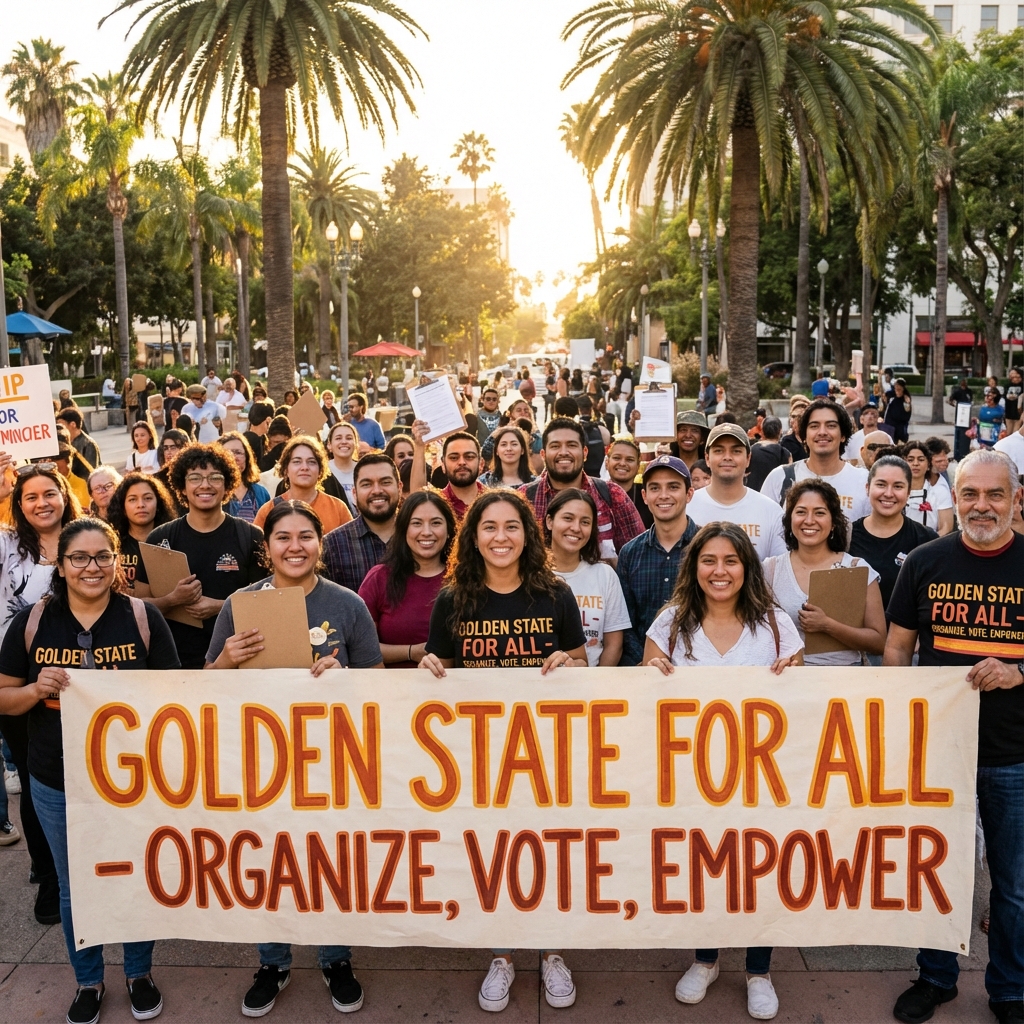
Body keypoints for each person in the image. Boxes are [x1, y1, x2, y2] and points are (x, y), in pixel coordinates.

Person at [0, 518, 179, 1024]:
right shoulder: (33, 622)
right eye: (79, 557)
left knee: (136, 876)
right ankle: (88, 980)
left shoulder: (142, 618)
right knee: (74, 884)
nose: (91, 567)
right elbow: (4, 697)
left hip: (132, 780)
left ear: (117, 561)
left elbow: (176, 700)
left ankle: (139, 973)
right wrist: (36, 690)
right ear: (61, 565)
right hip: (56, 780)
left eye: (102, 556)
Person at [417, 490, 585, 1012]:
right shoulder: (452, 599)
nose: (501, 537)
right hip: (480, 753)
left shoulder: (555, 594)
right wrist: (429, 671)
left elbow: (582, 664)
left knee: (552, 849)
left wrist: (572, 665)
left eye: (511, 527)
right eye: (488, 527)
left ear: (528, 535)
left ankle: (554, 951)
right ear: (473, 537)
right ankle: (504, 954)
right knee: (494, 853)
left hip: (547, 750)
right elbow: (439, 668)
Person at [884, 449, 1023, 1024]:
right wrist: (899, 716)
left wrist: (1020, 670)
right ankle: (936, 976)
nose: (982, 506)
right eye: (970, 494)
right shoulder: (924, 561)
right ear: (953, 497)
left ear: (1016, 500)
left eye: (995, 495)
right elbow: (896, 646)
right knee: (937, 872)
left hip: (1014, 756)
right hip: (939, 749)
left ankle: (1011, 989)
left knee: (1013, 887)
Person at [642, 521, 801, 1022]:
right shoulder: (670, 624)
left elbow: (804, 703)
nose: (720, 570)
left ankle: (759, 971)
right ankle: (706, 959)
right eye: (709, 560)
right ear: (694, 567)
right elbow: (646, 698)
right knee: (702, 868)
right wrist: (650, 678)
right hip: (692, 777)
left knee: (759, 869)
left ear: (747, 568)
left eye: (731, 560)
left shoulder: (776, 624)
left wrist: (792, 682)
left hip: (761, 777)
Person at [0, 463, 79, 927]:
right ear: (19, 503)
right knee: (35, 781)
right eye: (31, 496)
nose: (42, 503)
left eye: (50, 493)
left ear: (65, 495)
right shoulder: (7, 544)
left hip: (82, 679)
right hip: (19, 680)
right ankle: (49, 873)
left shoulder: (86, 538)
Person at [147, 444, 264, 669]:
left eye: (215, 477)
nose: (205, 485)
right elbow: (140, 607)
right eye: (195, 478)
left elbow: (268, 604)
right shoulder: (160, 538)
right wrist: (172, 600)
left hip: (238, 665)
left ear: (228, 483)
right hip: (174, 664)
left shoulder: (250, 537)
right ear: (181, 485)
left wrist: (221, 606)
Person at [763, 480, 886, 666]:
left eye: (819, 513)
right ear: (790, 520)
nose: (809, 520)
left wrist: (827, 625)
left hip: (845, 685)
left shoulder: (857, 569)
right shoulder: (769, 570)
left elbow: (879, 642)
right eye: (801, 512)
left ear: (834, 522)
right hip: (788, 683)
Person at [519, 417, 644, 562]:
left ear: (585, 453)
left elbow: (639, 554)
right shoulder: (524, 498)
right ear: (543, 454)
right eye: (555, 446)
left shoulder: (611, 495)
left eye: (571, 445)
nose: (563, 452)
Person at [616, 455, 700, 665]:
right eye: (655, 488)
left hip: (699, 667)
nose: (663, 495)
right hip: (643, 671)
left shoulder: (707, 547)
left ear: (689, 493)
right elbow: (624, 622)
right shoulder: (630, 553)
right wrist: (647, 661)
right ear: (644, 495)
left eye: (673, 487)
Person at [359, 490, 454, 667]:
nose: (426, 532)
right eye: (416, 523)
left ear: (449, 530)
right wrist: (411, 652)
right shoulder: (379, 578)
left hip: (456, 689)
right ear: (403, 530)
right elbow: (361, 647)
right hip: (394, 690)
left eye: (436, 523)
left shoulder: (464, 578)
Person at [545, 487, 630, 666]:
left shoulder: (605, 575)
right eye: (568, 518)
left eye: (585, 522)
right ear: (549, 522)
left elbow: (614, 645)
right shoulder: (530, 574)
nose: (575, 528)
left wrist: (596, 686)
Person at [849, 455, 937, 612]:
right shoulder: (846, 537)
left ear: (909, 492)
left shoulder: (926, 540)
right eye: (881, 485)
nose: (888, 494)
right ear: (868, 488)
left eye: (898, 486)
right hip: (856, 634)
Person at [760, 398, 870, 523]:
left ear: (843, 435)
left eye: (831, 426)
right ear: (804, 436)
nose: (822, 432)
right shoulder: (779, 478)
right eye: (814, 426)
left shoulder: (864, 480)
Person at [687, 423, 787, 560]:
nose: (727, 457)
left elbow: (780, 569)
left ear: (748, 459)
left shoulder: (771, 511)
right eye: (719, 451)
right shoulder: (686, 507)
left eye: (736, 451)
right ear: (707, 459)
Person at [323, 454, 401, 592]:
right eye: (366, 484)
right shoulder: (332, 545)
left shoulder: (418, 537)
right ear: (354, 493)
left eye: (385, 482)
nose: (377, 490)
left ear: (399, 488)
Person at [254, 437, 352, 534]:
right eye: (297, 462)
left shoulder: (338, 509)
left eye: (311, 462)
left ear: (320, 471)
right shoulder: (268, 510)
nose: (304, 467)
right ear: (285, 470)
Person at [107, 471, 176, 595]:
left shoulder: (174, 540)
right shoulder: (112, 546)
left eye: (148, 498)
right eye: (132, 499)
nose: (141, 505)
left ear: (158, 504)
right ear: (123, 507)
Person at [411, 427, 487, 522]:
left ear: (481, 464)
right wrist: (419, 446)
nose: (462, 462)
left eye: (469, 457)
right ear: (443, 464)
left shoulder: (495, 502)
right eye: (454, 458)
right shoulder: (436, 503)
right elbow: (416, 496)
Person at [902, 440, 954, 535]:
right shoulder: (895, 490)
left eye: (921, 459)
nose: (915, 463)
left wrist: (926, 545)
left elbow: (947, 527)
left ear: (928, 465)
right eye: (910, 460)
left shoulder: (939, 490)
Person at [219, 431, 271, 523]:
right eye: (227, 453)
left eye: (238, 452)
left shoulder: (261, 494)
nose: (234, 457)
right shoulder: (212, 491)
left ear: (247, 458)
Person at [605, 437, 652, 528]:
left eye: (629, 460)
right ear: (607, 463)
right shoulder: (596, 493)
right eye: (617, 458)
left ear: (638, 466)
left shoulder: (649, 494)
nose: (622, 463)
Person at [745, 417, 790, 490]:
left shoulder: (751, 450)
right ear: (780, 431)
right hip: (774, 496)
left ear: (762, 432)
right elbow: (788, 478)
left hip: (753, 493)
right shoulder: (785, 453)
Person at [56, 408, 101, 475]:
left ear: (73, 424)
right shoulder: (63, 442)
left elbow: (90, 472)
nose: (60, 428)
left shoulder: (88, 444)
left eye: (62, 425)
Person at [576, 394, 610, 476]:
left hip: (581, 472)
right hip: (598, 473)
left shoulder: (574, 429)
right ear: (591, 409)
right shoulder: (601, 429)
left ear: (578, 410)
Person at [948, 376, 974, 462]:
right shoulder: (957, 391)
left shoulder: (969, 391)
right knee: (958, 433)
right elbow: (949, 400)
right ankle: (957, 454)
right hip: (959, 415)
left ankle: (965, 452)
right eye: (962, 381)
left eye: (965, 381)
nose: (964, 382)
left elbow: (971, 401)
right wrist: (955, 405)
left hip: (967, 415)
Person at [780, 396, 809, 463]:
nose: (791, 421)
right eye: (791, 417)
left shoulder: (813, 439)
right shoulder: (787, 441)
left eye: (794, 417)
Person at [883, 377, 912, 443]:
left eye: (899, 389)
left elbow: (906, 415)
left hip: (899, 428)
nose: (897, 391)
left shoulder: (906, 399)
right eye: (896, 389)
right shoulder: (892, 396)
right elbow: (887, 394)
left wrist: (907, 403)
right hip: (890, 426)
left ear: (903, 389)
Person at [1003, 367, 1022, 436]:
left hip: (1018, 415)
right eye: (1012, 376)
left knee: (1015, 434)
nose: (1014, 378)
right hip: (1009, 413)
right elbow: (1004, 396)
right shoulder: (1007, 386)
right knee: (1008, 433)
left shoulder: (1022, 386)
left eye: (1016, 376)